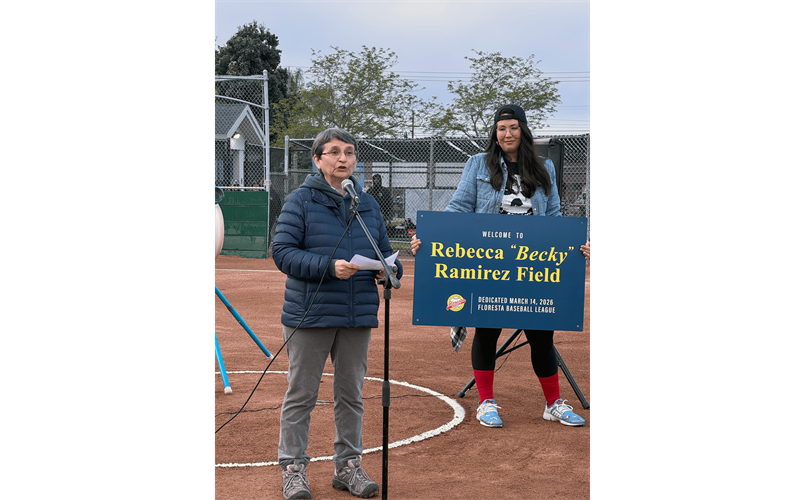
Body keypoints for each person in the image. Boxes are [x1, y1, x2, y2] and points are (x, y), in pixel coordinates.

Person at [411, 104, 591, 430]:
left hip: (532, 267)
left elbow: (553, 219)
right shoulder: (478, 164)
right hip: (489, 265)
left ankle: (553, 404)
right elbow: (460, 208)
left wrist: (575, 244)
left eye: (512, 127)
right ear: (495, 133)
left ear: (523, 130)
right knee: (488, 330)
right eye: (501, 128)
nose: (507, 134)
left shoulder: (543, 167)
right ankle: (486, 403)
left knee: (541, 334)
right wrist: (430, 235)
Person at [272, 128, 403, 500]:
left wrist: (388, 271)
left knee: (351, 394)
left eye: (350, 152)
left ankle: (348, 467)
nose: (344, 159)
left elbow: (385, 252)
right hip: (310, 313)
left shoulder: (368, 204)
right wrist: (330, 266)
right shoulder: (300, 201)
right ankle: (293, 468)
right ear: (317, 160)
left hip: (357, 313)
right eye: (334, 152)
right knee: (302, 393)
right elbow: (282, 252)